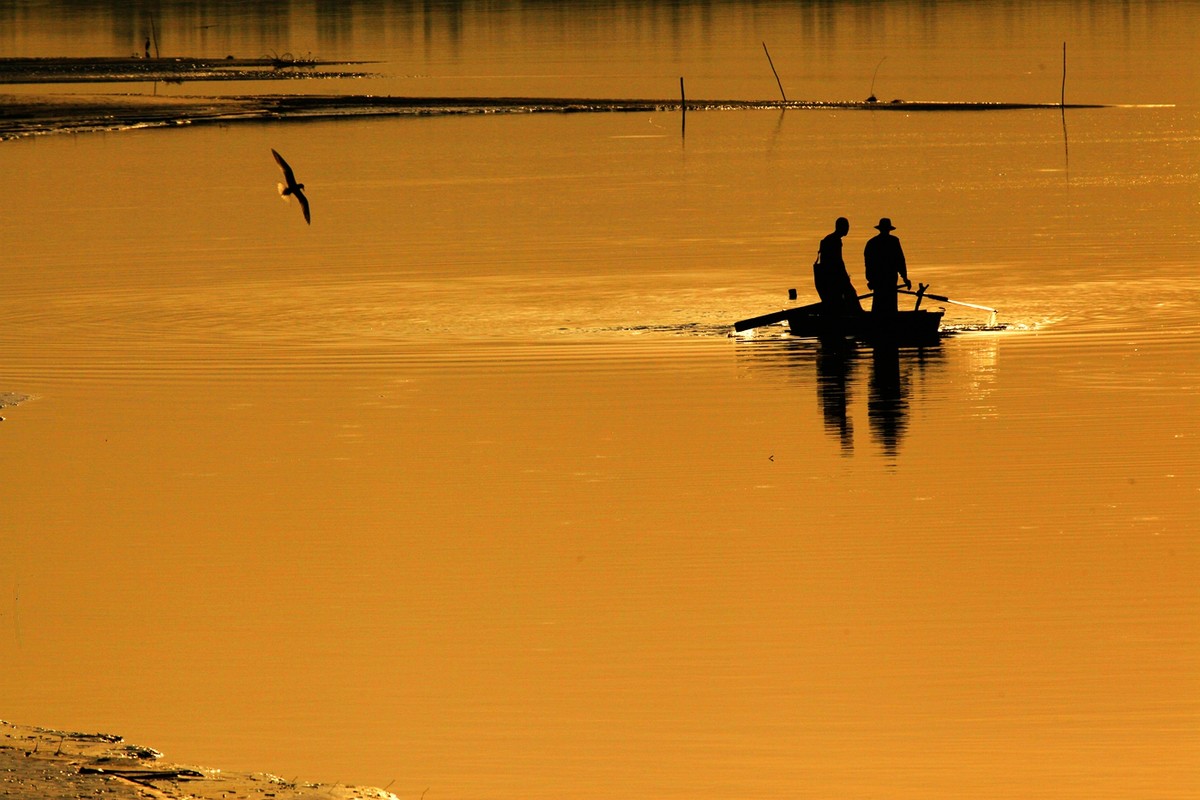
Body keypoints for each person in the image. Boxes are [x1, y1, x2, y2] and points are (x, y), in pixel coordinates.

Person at [813, 217, 863, 313]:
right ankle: (857, 313)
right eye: (846, 227)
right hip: (833, 275)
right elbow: (837, 261)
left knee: (842, 297)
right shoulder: (835, 240)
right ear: (840, 227)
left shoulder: (831, 239)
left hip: (831, 274)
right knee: (850, 293)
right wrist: (844, 276)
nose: (848, 229)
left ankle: (851, 312)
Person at [863, 217, 910, 313]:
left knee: (880, 306)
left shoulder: (872, 243)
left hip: (882, 279)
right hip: (885, 279)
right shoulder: (893, 241)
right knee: (888, 306)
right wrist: (905, 278)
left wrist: (870, 279)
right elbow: (900, 261)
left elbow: (868, 264)